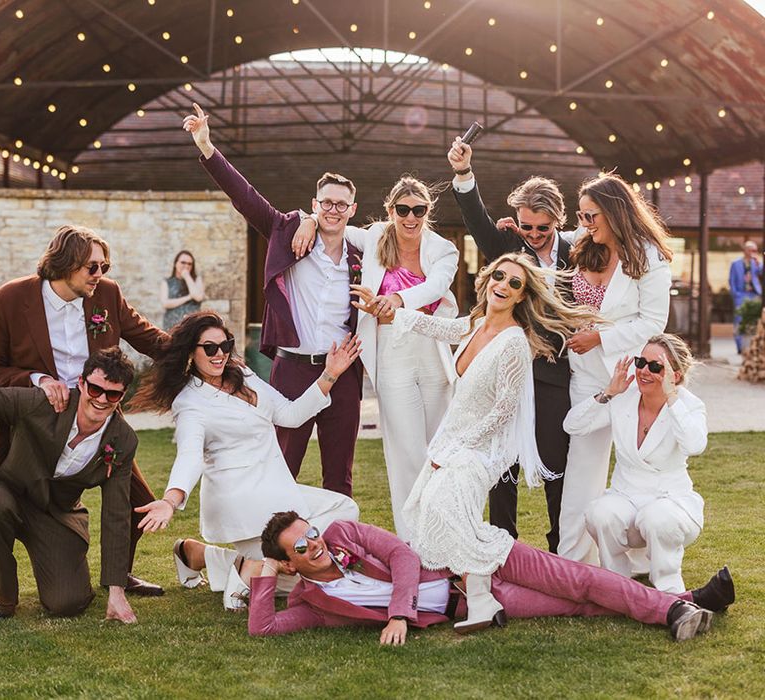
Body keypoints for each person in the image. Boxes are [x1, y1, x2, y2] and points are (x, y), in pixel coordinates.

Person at [354, 253, 598, 632]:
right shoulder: (475, 323)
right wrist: (389, 312)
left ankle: (493, 581)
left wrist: (457, 451)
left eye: (514, 283)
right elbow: (435, 326)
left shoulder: (515, 343)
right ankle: (480, 597)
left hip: (486, 447)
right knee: (431, 508)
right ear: (488, 280)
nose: (503, 285)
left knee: (448, 506)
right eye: (499, 276)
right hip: (453, 438)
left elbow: (504, 411)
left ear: (521, 296)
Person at [183, 103, 362, 497]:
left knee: (339, 475)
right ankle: (277, 555)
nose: (332, 210)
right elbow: (245, 197)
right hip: (292, 370)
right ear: (315, 205)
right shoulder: (287, 234)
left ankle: (340, 552)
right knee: (283, 468)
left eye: (340, 204)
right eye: (325, 203)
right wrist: (208, 147)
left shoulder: (363, 255)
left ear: (352, 210)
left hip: (344, 373)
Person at [131, 312, 360, 608]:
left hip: (277, 488)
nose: (220, 354)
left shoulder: (243, 373)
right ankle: (246, 573)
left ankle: (226, 560)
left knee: (345, 509)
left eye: (225, 345)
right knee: (302, 567)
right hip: (240, 501)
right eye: (209, 348)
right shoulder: (189, 403)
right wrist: (170, 501)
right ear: (192, 351)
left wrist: (330, 373)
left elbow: (290, 415)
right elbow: (189, 457)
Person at [240, 512, 734, 643]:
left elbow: (403, 558)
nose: (316, 543)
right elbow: (264, 628)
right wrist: (263, 573)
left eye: (313, 532)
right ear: (289, 563)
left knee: (579, 580)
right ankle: (689, 599)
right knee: (574, 605)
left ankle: (671, 608)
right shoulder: (313, 604)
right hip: (471, 603)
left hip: (478, 558)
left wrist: (396, 615)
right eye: (301, 547)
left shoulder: (346, 532)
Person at [0, 224, 168, 595]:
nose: (100, 275)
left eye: (105, 267)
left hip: (100, 411)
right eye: (93, 267)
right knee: (3, 497)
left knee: (140, 504)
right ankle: (2, 591)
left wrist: (201, 351)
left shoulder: (106, 294)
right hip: (35, 416)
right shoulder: (11, 298)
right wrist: (37, 379)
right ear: (65, 262)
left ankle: (120, 576)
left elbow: (149, 337)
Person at [293, 176, 459, 541]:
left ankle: (446, 531)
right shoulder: (373, 237)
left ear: (428, 211)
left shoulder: (444, 249)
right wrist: (308, 218)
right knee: (404, 451)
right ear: (391, 211)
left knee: (441, 449)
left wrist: (398, 301)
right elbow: (331, 221)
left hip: (430, 350)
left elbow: (436, 287)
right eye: (403, 210)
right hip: (391, 354)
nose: (411, 217)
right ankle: (414, 540)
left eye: (419, 210)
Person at [447, 136, 573, 553]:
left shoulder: (580, 252)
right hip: (507, 372)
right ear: (516, 221)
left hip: (556, 374)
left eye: (543, 228)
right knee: (501, 465)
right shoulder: (508, 245)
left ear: (558, 220)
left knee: (557, 465)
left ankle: (561, 549)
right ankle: (503, 546)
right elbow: (476, 220)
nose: (534, 235)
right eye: (527, 227)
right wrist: (464, 173)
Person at [557, 173, 674, 566]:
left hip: (629, 377)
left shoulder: (650, 257)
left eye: (591, 216)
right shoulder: (583, 243)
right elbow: (543, 245)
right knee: (581, 467)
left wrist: (600, 339)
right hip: (585, 376)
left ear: (614, 212)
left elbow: (653, 322)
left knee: (634, 467)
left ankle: (638, 562)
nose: (585, 224)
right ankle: (573, 562)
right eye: (581, 215)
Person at [0, 348, 140, 622]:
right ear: (82, 383)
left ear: (122, 396)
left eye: (112, 395)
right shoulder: (43, 404)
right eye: (95, 389)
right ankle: (2, 597)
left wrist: (116, 590)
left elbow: (116, 514)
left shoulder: (123, 440)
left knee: (67, 603)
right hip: (9, 494)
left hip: (57, 514)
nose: (101, 400)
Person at [566, 334, 708, 593]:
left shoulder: (688, 405)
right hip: (626, 498)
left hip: (670, 503)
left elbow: (695, 445)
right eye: (641, 362)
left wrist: (672, 398)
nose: (644, 371)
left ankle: (669, 589)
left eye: (656, 367)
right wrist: (609, 392)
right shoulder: (623, 398)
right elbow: (573, 425)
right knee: (600, 514)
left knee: (657, 518)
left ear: (674, 375)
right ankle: (616, 583)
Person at [729, 240, 762, 353]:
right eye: (751, 250)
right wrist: (736, 294)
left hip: (754, 294)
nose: (753, 252)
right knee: (739, 320)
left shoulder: (756, 263)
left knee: (755, 321)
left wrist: (759, 263)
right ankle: (740, 347)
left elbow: (762, 273)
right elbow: (731, 281)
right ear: (745, 250)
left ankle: (753, 347)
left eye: (755, 250)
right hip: (741, 295)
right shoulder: (736, 263)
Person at [160, 250, 205, 329]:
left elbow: (198, 297)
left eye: (189, 264)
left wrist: (187, 277)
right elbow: (166, 303)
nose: (186, 266)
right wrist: (189, 297)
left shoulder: (197, 280)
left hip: (192, 327)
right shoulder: (167, 282)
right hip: (172, 327)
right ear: (175, 263)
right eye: (183, 262)